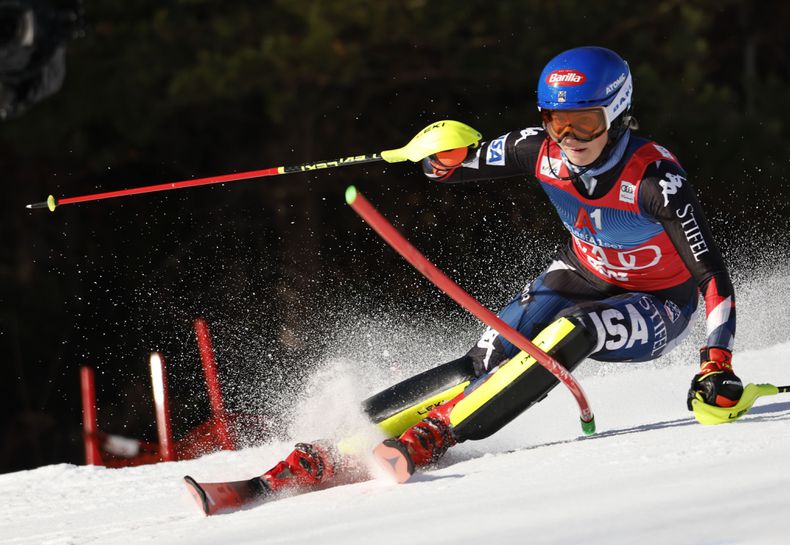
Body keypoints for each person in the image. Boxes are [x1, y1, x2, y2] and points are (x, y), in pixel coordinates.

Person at [262, 46, 743, 489]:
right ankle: (333, 445)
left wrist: (715, 362)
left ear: (616, 115)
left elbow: (712, 277)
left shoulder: (657, 180)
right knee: (483, 361)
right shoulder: (539, 150)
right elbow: (449, 167)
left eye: (586, 124)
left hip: (658, 303)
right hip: (581, 273)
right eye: (558, 123)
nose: (571, 139)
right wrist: (437, 154)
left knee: (578, 329)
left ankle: (438, 432)